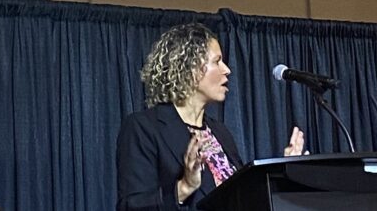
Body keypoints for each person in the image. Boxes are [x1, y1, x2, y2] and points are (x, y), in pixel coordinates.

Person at [116, 23, 305, 210]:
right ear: (189, 68)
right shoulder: (144, 128)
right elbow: (131, 206)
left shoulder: (220, 132)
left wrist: (283, 172)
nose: (227, 70)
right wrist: (184, 188)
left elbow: (240, 197)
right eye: (217, 61)